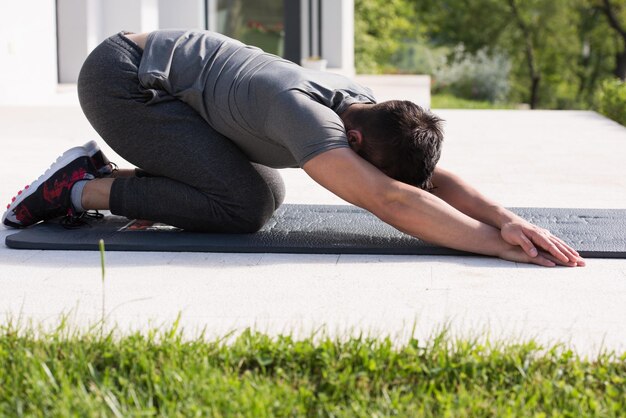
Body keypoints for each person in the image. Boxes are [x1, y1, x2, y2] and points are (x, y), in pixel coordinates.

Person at [2, 30, 584, 267]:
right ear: (352, 141)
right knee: (244, 206)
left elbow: (417, 183)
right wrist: (497, 249)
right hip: (120, 81)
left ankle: (121, 177)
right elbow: (391, 201)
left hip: (165, 81)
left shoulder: (364, 108)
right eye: (362, 161)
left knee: (264, 192)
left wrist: (506, 221)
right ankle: (76, 187)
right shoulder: (309, 118)